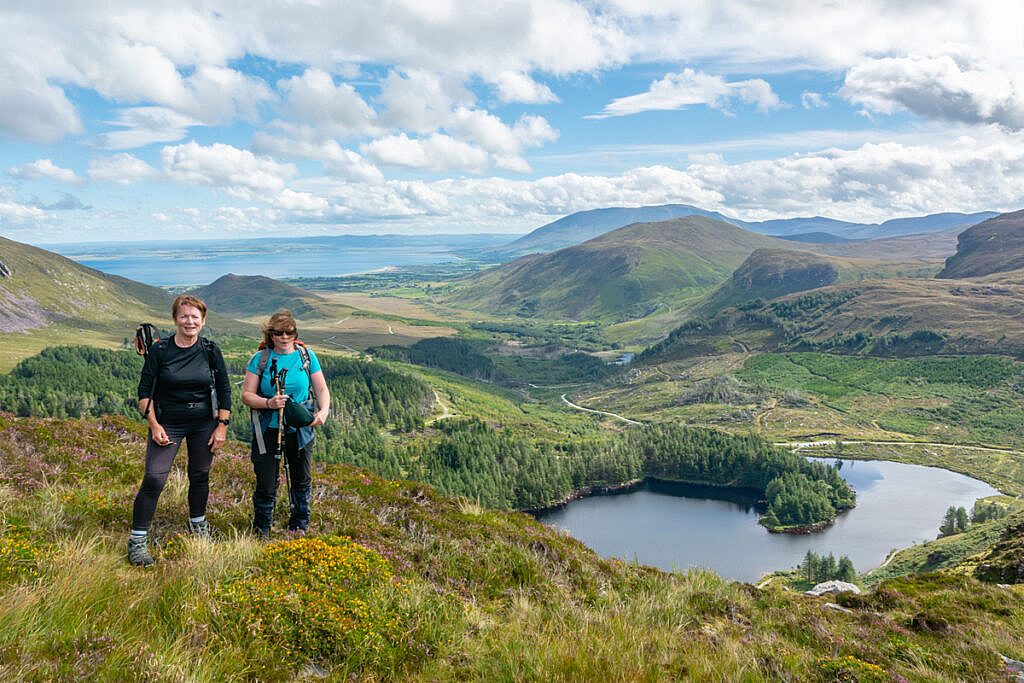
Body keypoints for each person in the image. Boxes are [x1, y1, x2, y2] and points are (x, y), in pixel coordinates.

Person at [128, 295, 232, 566]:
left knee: (200, 475)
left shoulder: (210, 350)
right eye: (184, 316)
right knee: (154, 478)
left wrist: (221, 426)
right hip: (168, 422)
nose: (190, 321)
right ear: (175, 319)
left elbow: (224, 390)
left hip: (203, 423)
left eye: (195, 317)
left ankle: (198, 526)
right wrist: (154, 425)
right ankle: (137, 541)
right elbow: (143, 393)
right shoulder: (160, 351)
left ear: (203, 321)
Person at [241, 309, 330, 536]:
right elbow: (247, 395)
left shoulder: (306, 356)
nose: (284, 337)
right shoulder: (259, 359)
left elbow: (321, 388)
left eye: (289, 332)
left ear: (294, 333)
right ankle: (262, 529)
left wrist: (324, 410)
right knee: (266, 481)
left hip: (300, 426)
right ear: (271, 335)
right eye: (279, 332)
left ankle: (299, 525)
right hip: (268, 428)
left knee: (301, 478)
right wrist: (269, 403)